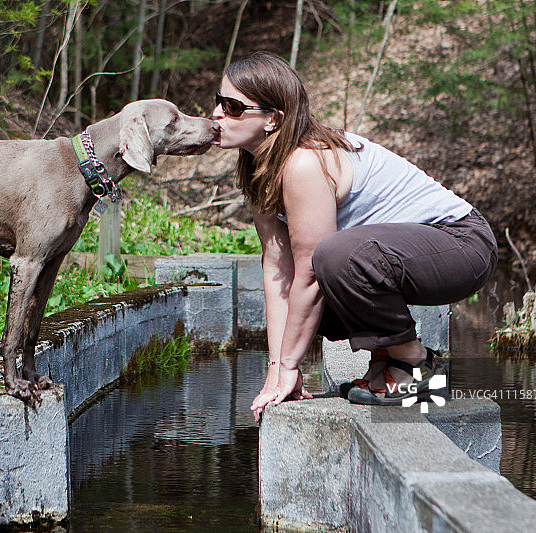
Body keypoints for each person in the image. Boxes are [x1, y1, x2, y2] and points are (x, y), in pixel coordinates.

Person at [211, 52, 497, 422]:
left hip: (461, 244)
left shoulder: (304, 161)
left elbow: (310, 270)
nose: (217, 114)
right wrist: (277, 369)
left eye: (233, 107)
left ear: (272, 119)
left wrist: (291, 365)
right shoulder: (262, 169)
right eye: (218, 101)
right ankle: (387, 364)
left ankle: (416, 365)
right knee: (317, 284)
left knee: (332, 258)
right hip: (393, 257)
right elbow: (278, 271)